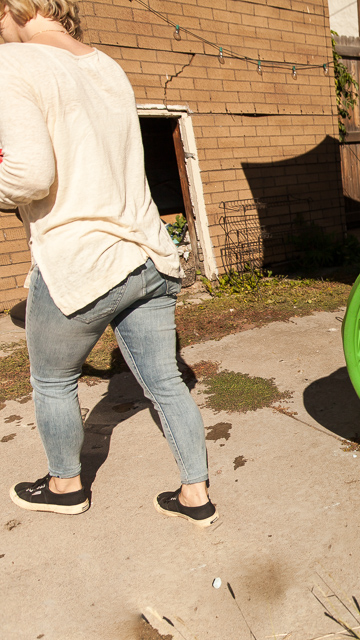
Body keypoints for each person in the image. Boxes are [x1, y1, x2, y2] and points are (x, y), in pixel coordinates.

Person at [0, 0, 217, 526]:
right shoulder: (106, 66)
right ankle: (196, 497)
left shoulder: (13, 64)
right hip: (147, 254)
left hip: (83, 260)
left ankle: (65, 486)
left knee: (53, 382)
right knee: (165, 381)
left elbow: (28, 177)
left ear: (13, 7)